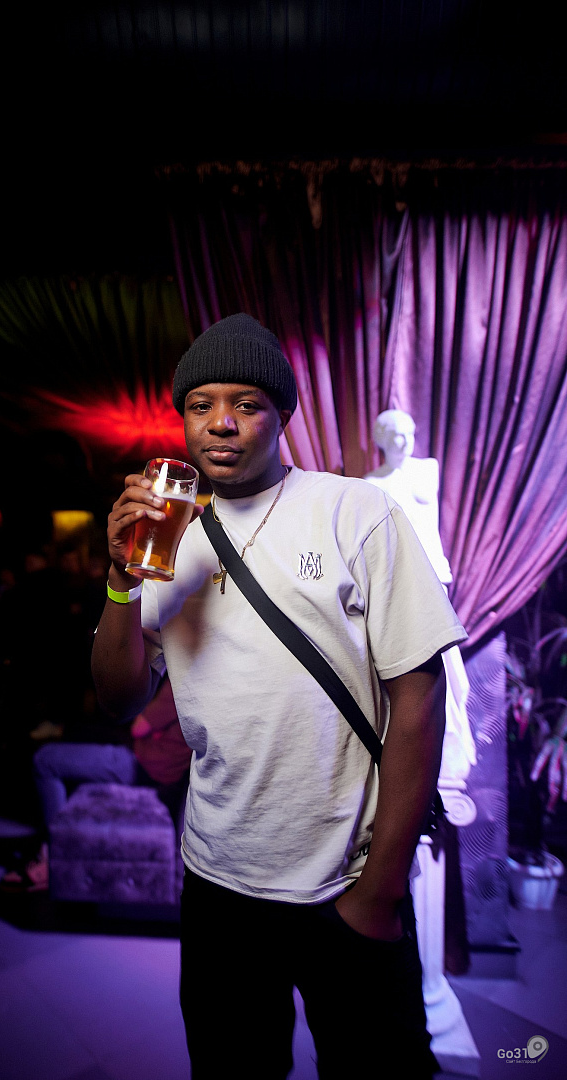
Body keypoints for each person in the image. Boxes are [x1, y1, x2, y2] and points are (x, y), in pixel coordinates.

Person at [91, 313, 468, 1079]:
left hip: (346, 879)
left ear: (283, 414)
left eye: (247, 403)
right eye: (200, 404)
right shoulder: (169, 538)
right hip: (218, 881)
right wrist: (120, 582)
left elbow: (418, 698)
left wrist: (379, 891)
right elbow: (119, 697)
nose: (221, 422)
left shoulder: (356, 511)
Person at [364, 409, 475, 782]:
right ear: (381, 439)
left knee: (447, 661)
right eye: (395, 435)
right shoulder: (372, 483)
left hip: (433, 574)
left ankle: (452, 746)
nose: (404, 441)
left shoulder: (427, 469)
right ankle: (420, 753)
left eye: (408, 433)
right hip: (398, 580)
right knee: (412, 664)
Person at [2, 676, 190, 891]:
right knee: (96, 731)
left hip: (143, 765)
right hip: (154, 764)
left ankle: (54, 856)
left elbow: (139, 728)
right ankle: (61, 728)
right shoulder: (206, 685)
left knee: (45, 760)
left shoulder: (182, 680)